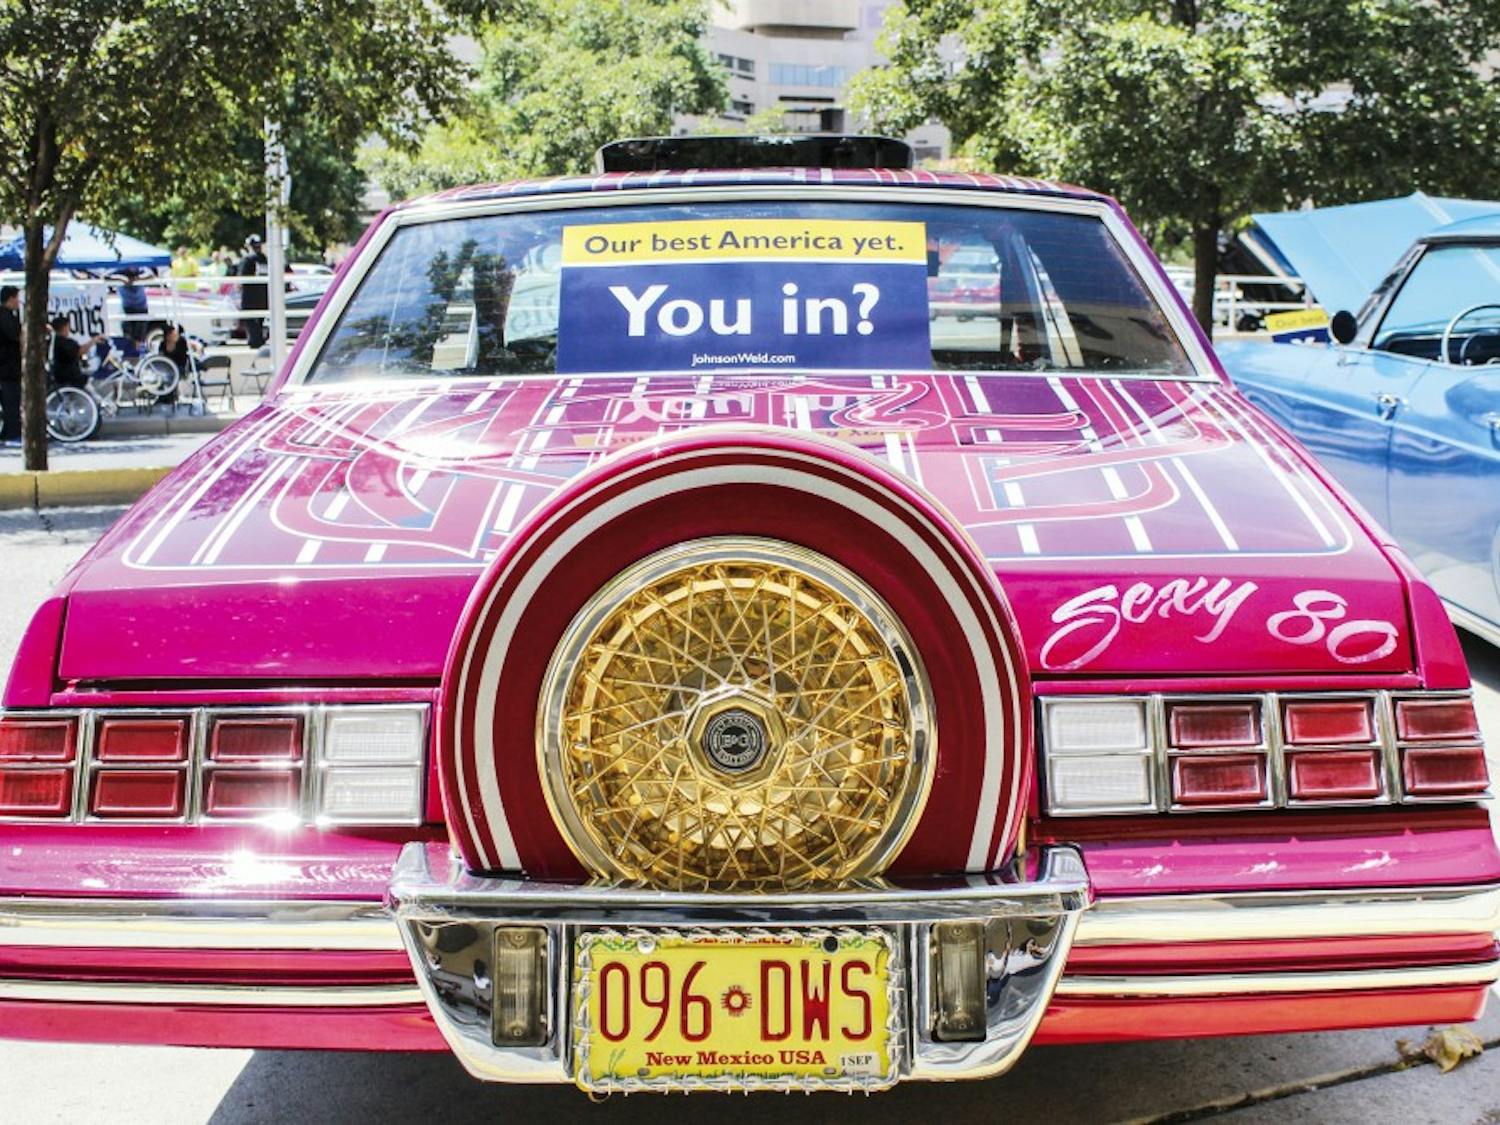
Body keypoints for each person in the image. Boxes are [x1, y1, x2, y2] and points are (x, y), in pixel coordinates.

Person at [49, 316, 104, 390]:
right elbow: (80, 351)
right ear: (64, 327)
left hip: (62, 374)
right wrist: (93, 341)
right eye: (68, 327)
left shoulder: (57, 341)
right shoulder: (64, 342)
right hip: (69, 376)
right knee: (92, 379)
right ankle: (96, 400)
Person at [237, 234, 269, 348]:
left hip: (249, 295)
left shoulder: (247, 259)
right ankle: (259, 338)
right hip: (263, 294)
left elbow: (241, 278)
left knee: (249, 317)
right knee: (259, 318)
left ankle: (254, 340)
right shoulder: (264, 259)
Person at [0, 286, 21, 444]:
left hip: (8, 366)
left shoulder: (8, 315)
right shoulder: (4, 316)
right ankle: (12, 434)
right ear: (11, 298)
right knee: (11, 401)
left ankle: (8, 431)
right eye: (17, 298)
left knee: (10, 401)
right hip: (7, 366)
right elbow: (14, 335)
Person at [119, 268, 149, 346]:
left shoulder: (140, 268)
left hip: (141, 307)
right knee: (127, 337)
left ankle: (138, 354)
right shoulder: (119, 268)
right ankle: (130, 354)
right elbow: (106, 275)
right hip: (127, 308)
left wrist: (137, 278)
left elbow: (151, 274)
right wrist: (121, 278)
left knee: (139, 338)